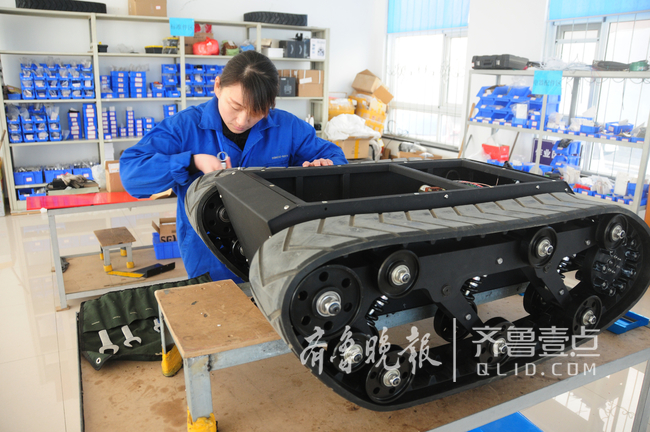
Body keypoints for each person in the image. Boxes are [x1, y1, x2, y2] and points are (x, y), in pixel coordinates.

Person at [120, 51, 347, 282]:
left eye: (257, 112)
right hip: (209, 255)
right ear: (217, 86)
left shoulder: (286, 127)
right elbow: (131, 174)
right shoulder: (184, 127)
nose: (242, 121)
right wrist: (190, 162)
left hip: (276, 252)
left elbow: (334, 158)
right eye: (236, 106)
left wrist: (323, 167)